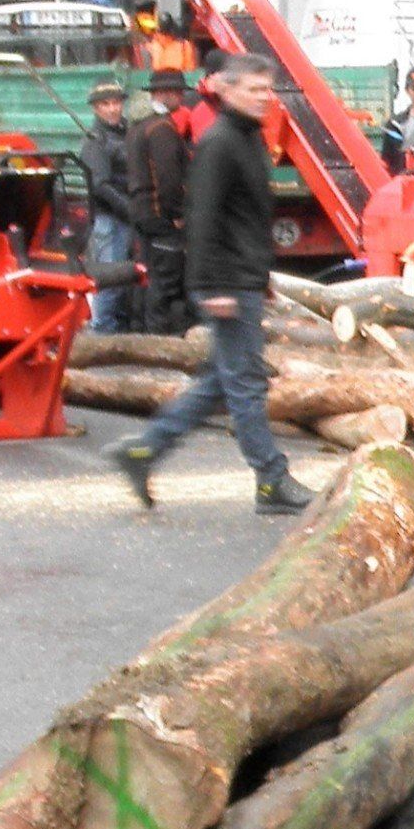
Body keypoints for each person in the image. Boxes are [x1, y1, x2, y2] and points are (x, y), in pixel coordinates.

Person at [108, 55, 314, 518]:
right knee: (244, 384)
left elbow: (248, 217)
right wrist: (211, 284)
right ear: (227, 89)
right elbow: (202, 217)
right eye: (255, 89)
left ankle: (143, 451)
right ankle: (271, 480)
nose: (264, 97)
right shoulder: (220, 142)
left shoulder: (247, 138)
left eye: (268, 90)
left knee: (223, 381)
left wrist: (259, 279)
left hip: (241, 277)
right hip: (226, 281)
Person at [128, 69, 204, 336]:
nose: (182, 97)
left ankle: (148, 334)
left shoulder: (140, 127)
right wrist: (177, 213)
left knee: (151, 276)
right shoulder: (162, 129)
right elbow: (168, 178)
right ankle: (160, 339)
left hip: (143, 212)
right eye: (178, 92)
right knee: (166, 281)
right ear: (165, 94)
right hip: (160, 215)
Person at [79, 80, 137, 333]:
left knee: (122, 278)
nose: (113, 109)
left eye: (116, 103)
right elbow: (100, 185)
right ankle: (101, 330)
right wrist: (128, 208)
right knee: (111, 280)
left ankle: (113, 329)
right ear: (95, 109)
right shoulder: (96, 142)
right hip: (109, 219)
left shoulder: (124, 133)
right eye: (106, 104)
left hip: (122, 216)